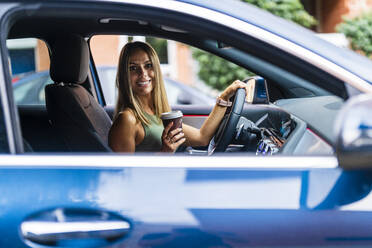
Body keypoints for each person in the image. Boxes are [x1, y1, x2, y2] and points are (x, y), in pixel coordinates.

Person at [108, 41, 250, 153]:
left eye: (148, 65)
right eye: (133, 68)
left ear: (156, 70)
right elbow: (123, 177)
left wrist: (224, 98)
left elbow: (202, 138)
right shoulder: (127, 120)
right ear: (124, 75)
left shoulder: (157, 114)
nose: (143, 73)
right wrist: (165, 151)